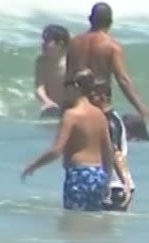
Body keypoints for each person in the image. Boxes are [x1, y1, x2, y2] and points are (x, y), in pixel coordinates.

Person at [21, 70, 127, 212]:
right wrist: (107, 180)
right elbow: (108, 151)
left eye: (66, 84)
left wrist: (33, 165)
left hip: (79, 175)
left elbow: (56, 151)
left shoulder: (71, 115)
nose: (64, 89)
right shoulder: (99, 115)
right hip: (98, 174)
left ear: (76, 87)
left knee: (74, 226)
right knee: (91, 222)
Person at [67, 2, 149, 122]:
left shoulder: (73, 43)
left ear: (90, 19)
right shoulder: (112, 46)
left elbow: (68, 79)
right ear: (110, 22)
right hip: (100, 108)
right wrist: (141, 108)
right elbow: (123, 80)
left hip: (74, 108)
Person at [89, 81, 136, 211]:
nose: (89, 101)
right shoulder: (113, 117)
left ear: (103, 96)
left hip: (115, 186)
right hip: (116, 185)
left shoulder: (109, 121)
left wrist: (125, 183)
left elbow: (116, 153)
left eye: (92, 97)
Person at [35, 24, 70, 118]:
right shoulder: (41, 61)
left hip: (70, 109)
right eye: (43, 41)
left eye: (47, 41)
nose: (43, 44)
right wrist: (47, 101)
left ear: (60, 44)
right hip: (50, 107)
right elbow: (39, 87)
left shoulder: (71, 62)